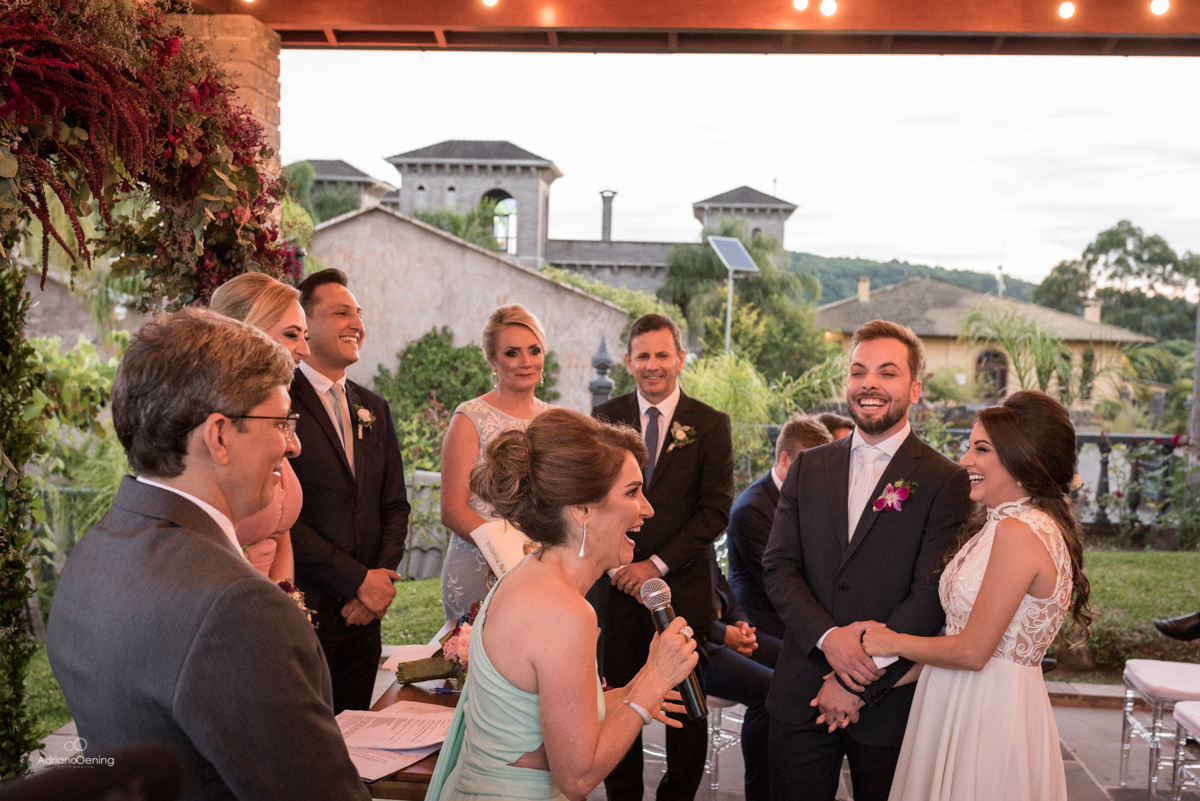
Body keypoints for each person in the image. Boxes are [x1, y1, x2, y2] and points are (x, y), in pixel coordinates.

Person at [47, 308, 369, 801]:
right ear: (218, 436)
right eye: (281, 422)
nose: (294, 445)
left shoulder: (95, 551)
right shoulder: (237, 607)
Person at [427, 408, 700, 801]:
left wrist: (637, 687)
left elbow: (551, 716)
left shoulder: (523, 574)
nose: (647, 508)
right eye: (631, 492)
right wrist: (653, 682)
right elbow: (577, 777)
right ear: (582, 509)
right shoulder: (564, 613)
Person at [762, 319, 972, 801]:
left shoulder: (945, 480)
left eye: (887, 372)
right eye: (859, 372)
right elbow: (779, 567)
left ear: (915, 388)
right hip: (800, 689)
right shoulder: (809, 466)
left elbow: (931, 593)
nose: (869, 383)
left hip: (888, 701)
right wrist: (830, 638)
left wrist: (856, 677)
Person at [863, 390, 1094, 801]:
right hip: (960, 698)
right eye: (970, 447)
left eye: (981, 449)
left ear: (1022, 459)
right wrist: (873, 684)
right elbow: (959, 635)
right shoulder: (1003, 524)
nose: (965, 460)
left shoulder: (1020, 532)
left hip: (987, 712)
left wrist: (890, 641)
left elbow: (973, 651)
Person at [591, 312, 734, 801]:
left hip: (683, 590)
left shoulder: (710, 424)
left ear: (680, 359)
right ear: (628, 361)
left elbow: (715, 511)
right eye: (643, 356)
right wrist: (617, 567)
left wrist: (652, 566)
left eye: (662, 355)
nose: (652, 365)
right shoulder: (604, 419)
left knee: (687, 708)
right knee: (617, 696)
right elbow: (590, 498)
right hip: (615, 591)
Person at [289, 268, 409, 712]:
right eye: (341, 313)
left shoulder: (373, 406)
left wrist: (379, 581)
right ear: (305, 323)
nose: (356, 324)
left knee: (359, 734)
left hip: (365, 618)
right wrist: (356, 581)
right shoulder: (280, 401)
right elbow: (282, 515)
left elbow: (394, 505)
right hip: (308, 609)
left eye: (358, 314)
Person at [440, 304, 552, 623]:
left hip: (542, 567)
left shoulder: (553, 420)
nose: (526, 361)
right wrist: (508, 552)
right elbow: (453, 509)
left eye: (534, 350)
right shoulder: (469, 418)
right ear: (492, 360)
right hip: (479, 567)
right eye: (512, 353)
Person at [209, 272, 308, 581]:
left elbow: (279, 533)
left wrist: (287, 597)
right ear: (247, 331)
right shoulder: (216, 421)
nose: (305, 350)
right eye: (292, 335)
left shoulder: (276, 409)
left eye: (305, 336)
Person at [727, 413, 833, 641]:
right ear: (784, 459)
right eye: (810, 467)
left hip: (801, 611)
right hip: (763, 624)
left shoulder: (814, 497)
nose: (819, 477)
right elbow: (779, 580)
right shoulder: (751, 510)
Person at [704, 556, 781, 801]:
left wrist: (741, 622)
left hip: (721, 629)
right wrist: (723, 634)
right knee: (771, 691)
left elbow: (719, 580)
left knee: (796, 661)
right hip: (697, 643)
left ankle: (792, 782)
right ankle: (761, 794)